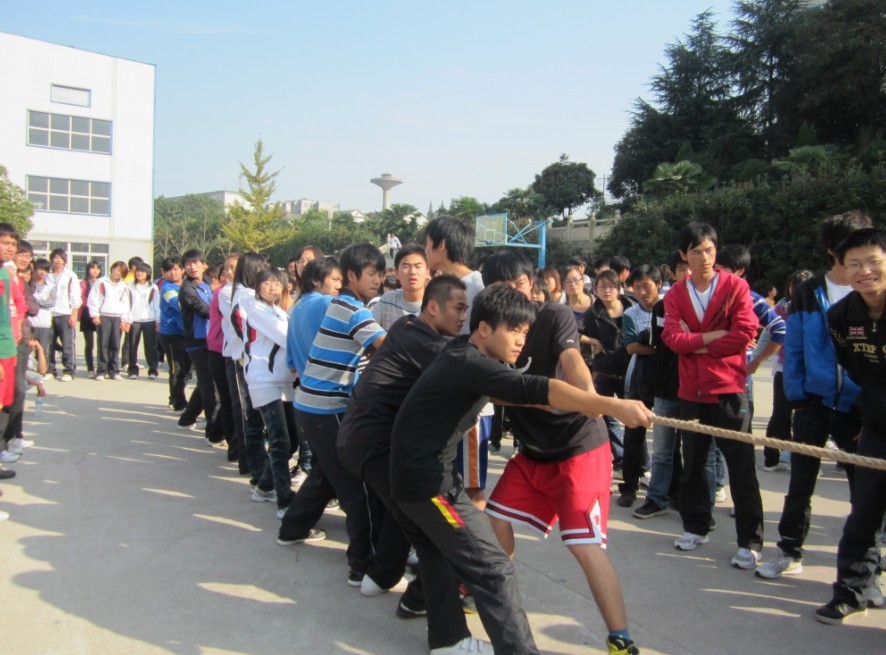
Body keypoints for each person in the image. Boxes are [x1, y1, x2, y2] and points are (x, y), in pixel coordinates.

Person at [389, 284, 652, 654]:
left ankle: (447, 641)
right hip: (429, 484)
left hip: (411, 477)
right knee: (494, 565)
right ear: (484, 329)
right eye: (514, 331)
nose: (521, 342)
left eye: (526, 333)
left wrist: (581, 402)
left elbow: (527, 394)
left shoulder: (462, 356)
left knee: (437, 555)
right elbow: (534, 388)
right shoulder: (470, 363)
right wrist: (612, 405)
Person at [481, 251, 646, 655]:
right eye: (503, 291)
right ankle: (496, 593)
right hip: (533, 451)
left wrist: (591, 398)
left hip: (577, 449)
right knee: (494, 519)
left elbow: (572, 360)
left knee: (583, 544)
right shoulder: (487, 336)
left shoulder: (552, 317)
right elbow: (526, 394)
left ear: (533, 286)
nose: (516, 298)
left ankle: (620, 638)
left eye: (521, 287)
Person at [337, 275, 468, 606]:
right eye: (459, 308)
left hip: (364, 437)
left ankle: (380, 576)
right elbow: (468, 370)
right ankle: (421, 601)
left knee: (401, 509)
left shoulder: (406, 325)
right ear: (434, 307)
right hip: (372, 442)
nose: (464, 316)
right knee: (425, 527)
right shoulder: (428, 344)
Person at [756, 211, 870, 582]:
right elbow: (797, 348)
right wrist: (798, 396)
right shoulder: (809, 292)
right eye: (849, 247)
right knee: (800, 482)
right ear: (831, 250)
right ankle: (789, 549)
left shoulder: (873, 290)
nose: (860, 258)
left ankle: (865, 572)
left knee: (865, 491)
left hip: (861, 409)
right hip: (813, 403)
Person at [279, 243, 386, 587]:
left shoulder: (339, 304)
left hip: (312, 404)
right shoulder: (353, 310)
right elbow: (388, 349)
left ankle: (292, 527)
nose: (378, 280)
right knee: (357, 488)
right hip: (327, 407)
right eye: (371, 273)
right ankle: (362, 565)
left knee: (326, 473)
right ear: (352, 276)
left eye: (381, 273)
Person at [661, 222, 763, 569]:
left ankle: (750, 541)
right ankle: (696, 526)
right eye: (696, 251)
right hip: (691, 392)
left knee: (741, 467)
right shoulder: (676, 294)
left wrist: (697, 343)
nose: (704, 257)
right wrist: (714, 335)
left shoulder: (736, 285)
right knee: (694, 464)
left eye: (709, 250)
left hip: (729, 389)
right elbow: (672, 339)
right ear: (683, 255)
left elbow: (746, 333)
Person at [815, 226, 886, 623]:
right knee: (864, 511)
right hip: (877, 425)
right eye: (854, 264)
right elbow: (854, 365)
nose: (865, 271)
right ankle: (852, 589)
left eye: (874, 261)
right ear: (841, 268)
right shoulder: (841, 315)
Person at [425, 216, 489, 509]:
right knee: (446, 481)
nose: (425, 251)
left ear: (441, 246)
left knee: (471, 486)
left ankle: (474, 548)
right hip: (445, 401)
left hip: (471, 405)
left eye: (428, 244)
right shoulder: (441, 286)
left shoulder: (477, 286)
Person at [241, 267, 298, 519]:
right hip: (264, 380)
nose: (273, 287)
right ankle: (284, 501)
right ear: (257, 286)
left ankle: (264, 487)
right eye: (267, 283)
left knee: (292, 440)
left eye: (278, 283)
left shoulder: (279, 311)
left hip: (283, 381)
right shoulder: (255, 309)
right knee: (280, 441)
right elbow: (287, 338)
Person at [615, 264, 661, 507]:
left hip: (667, 378)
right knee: (634, 434)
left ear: (658, 284)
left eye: (647, 286)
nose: (642, 291)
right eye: (637, 287)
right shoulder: (631, 314)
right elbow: (631, 347)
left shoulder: (669, 307)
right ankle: (629, 487)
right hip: (639, 378)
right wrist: (661, 349)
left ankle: (667, 490)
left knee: (668, 440)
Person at [584, 269, 634, 466]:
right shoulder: (592, 313)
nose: (607, 290)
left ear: (619, 288)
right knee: (606, 418)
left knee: (632, 419)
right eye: (602, 286)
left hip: (629, 371)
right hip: (604, 370)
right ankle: (619, 457)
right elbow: (574, 330)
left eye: (611, 286)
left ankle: (638, 463)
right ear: (595, 289)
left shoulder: (631, 307)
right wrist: (593, 340)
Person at [177, 249, 221, 441]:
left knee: (205, 382)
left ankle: (187, 419)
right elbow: (202, 309)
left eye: (196, 263)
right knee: (209, 386)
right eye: (188, 264)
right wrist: (223, 309)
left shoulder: (207, 284)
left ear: (204, 265)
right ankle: (213, 433)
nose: (192, 267)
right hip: (197, 342)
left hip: (211, 340)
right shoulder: (186, 288)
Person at [87, 261, 131, 381]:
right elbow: (93, 299)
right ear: (111, 269)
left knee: (115, 345)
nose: (118, 273)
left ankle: (114, 370)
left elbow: (125, 304)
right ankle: (101, 370)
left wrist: (124, 319)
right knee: (103, 344)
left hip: (117, 317)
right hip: (104, 316)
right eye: (116, 270)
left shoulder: (123, 286)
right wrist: (95, 315)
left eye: (121, 271)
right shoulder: (101, 282)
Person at [157, 257, 190, 412]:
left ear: (182, 270)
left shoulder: (186, 285)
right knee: (176, 368)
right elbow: (179, 305)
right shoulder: (167, 288)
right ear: (163, 273)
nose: (172, 273)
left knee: (186, 369)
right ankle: (178, 401)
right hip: (170, 333)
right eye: (168, 270)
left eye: (175, 269)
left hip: (184, 332)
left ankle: (176, 397)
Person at [371, 244, 430, 329]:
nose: (412, 272)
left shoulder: (435, 305)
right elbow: (370, 328)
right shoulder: (387, 300)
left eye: (418, 266)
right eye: (406, 266)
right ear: (396, 272)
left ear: (427, 272)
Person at [46, 248, 81, 381]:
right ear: (51, 259)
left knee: (67, 344)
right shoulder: (46, 274)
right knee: (49, 344)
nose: (58, 260)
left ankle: (69, 370)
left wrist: (74, 314)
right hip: (48, 314)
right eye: (55, 258)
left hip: (65, 313)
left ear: (65, 260)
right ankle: (50, 370)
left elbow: (75, 296)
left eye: (61, 258)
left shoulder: (70, 276)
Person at [125, 263, 159, 379]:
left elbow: (156, 305)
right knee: (132, 346)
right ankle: (133, 370)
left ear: (147, 274)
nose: (139, 273)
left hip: (149, 319)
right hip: (134, 320)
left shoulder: (153, 287)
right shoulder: (129, 286)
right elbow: (126, 304)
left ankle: (153, 370)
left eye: (142, 272)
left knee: (151, 346)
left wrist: (157, 320)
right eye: (138, 271)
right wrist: (126, 319)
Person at [78, 261, 102, 378]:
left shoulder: (102, 282)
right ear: (88, 269)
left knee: (101, 343)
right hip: (87, 314)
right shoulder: (83, 283)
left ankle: (101, 367)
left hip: (100, 313)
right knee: (90, 343)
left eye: (98, 268)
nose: (95, 271)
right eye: (92, 268)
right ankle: (90, 368)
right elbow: (80, 299)